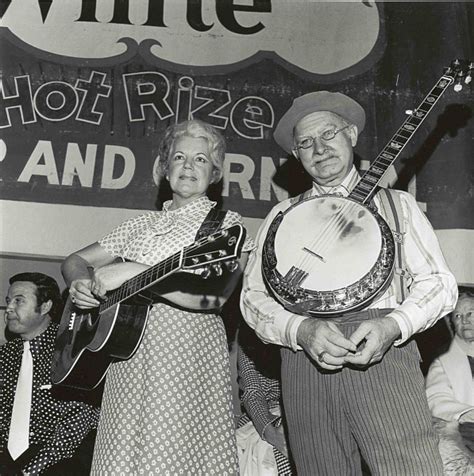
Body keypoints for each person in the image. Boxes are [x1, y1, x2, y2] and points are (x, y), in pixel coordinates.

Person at [240, 91, 458, 475]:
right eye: (305, 142)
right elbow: (253, 298)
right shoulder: (282, 215)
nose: (319, 149)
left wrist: (393, 325)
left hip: (384, 355)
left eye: (329, 134)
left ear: (352, 135)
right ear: (295, 155)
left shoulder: (398, 205)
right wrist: (300, 328)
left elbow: (440, 284)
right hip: (303, 359)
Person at [61, 119, 254, 475]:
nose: (188, 166)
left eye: (200, 159)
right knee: (122, 456)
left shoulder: (224, 225)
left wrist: (135, 270)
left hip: (184, 355)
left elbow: (214, 298)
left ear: (215, 173)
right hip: (124, 355)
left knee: (172, 458)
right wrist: (79, 285)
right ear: (165, 169)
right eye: (179, 157)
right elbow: (75, 260)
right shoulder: (137, 224)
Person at [0, 272, 100, 475]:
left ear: (45, 307)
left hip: (58, 463)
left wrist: (29, 472)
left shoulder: (71, 348)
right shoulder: (4, 355)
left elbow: (76, 425)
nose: (9, 308)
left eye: (19, 301)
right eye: (8, 301)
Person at [236, 322, 295, 476]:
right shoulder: (247, 339)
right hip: (265, 415)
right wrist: (270, 432)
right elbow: (252, 393)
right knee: (265, 452)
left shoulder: (298, 334)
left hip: (301, 411)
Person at [426, 287, 474, 423]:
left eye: (470, 313)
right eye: (458, 316)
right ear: (452, 324)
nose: (464, 320)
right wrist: (465, 413)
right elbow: (436, 397)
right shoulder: (442, 361)